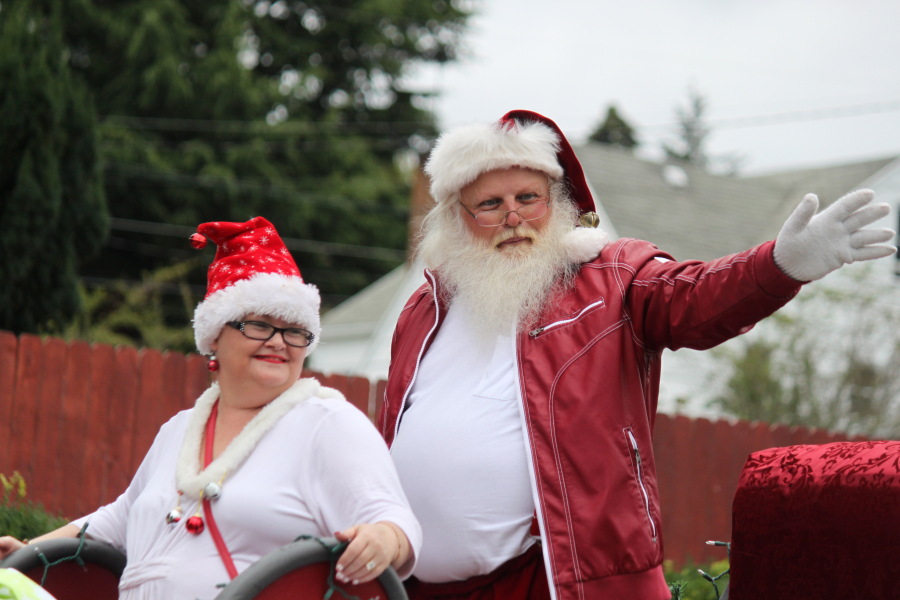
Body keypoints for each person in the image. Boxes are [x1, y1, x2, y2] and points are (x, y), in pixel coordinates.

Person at [378, 110, 895, 600]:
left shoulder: (613, 277)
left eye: (528, 197)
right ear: (458, 219)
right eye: (490, 205)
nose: (513, 216)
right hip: (421, 588)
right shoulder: (422, 311)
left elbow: (694, 297)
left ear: (556, 203)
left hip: (559, 581)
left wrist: (780, 265)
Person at [0, 217, 421, 599]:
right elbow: (121, 520)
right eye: (259, 325)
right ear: (215, 336)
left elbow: (396, 523)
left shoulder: (328, 423)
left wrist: (384, 538)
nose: (278, 341)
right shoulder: (180, 429)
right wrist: (32, 553)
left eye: (296, 331)